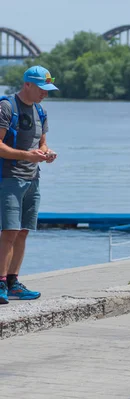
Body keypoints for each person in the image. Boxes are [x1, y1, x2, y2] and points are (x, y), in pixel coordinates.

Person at [0, 65, 59, 304]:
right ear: (27, 85)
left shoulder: (41, 111)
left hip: (33, 178)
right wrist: (27, 156)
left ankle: (13, 282)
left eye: (48, 89)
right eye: (42, 88)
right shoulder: (6, 107)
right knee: (9, 232)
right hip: (9, 178)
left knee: (23, 232)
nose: (45, 93)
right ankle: (1, 282)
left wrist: (47, 153)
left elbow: (42, 143)